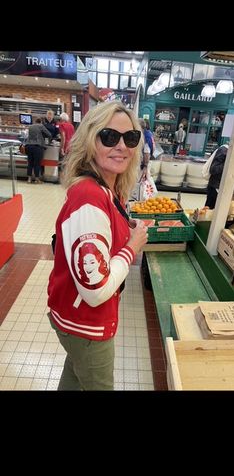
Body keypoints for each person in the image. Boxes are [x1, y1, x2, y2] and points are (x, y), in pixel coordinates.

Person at [47, 101, 148, 390]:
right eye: (109, 137)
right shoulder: (90, 198)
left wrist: (122, 229)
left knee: (75, 377)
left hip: (72, 317)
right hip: (87, 325)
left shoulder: (103, 188)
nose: (121, 146)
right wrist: (132, 245)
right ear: (91, 139)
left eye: (130, 138)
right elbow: (95, 290)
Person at [25, 117, 51, 183]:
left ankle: (29, 179)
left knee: (30, 163)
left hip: (28, 146)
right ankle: (37, 179)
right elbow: (49, 134)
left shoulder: (30, 126)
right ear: (41, 122)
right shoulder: (41, 126)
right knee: (37, 163)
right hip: (37, 146)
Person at [205, 144, 229, 209]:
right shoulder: (224, 150)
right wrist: (228, 163)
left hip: (225, 189)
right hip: (215, 188)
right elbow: (213, 169)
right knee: (208, 213)